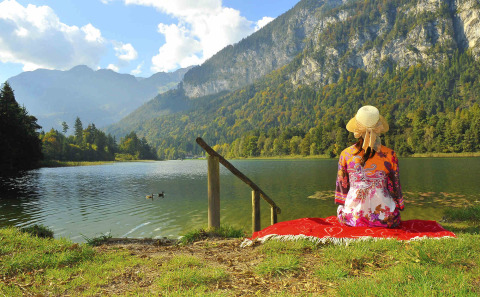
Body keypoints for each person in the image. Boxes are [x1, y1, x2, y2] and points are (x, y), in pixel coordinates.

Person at [334, 105, 404, 228]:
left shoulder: (346, 154)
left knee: (344, 211)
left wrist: (343, 202)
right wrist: (399, 204)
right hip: (385, 218)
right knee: (393, 212)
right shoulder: (390, 154)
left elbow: (342, 186)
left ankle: (355, 215)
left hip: (354, 217)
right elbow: (395, 185)